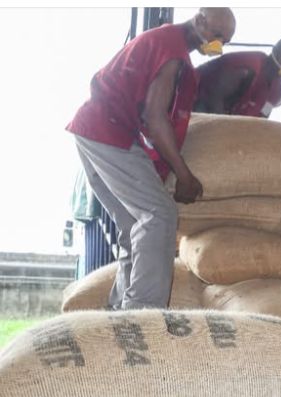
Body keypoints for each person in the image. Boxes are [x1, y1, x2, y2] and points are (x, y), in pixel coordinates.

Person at [67, 8, 237, 310]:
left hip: (92, 130)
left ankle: (119, 310)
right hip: (108, 131)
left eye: (224, 41)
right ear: (199, 20)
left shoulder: (167, 43)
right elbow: (156, 119)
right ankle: (142, 313)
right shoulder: (172, 51)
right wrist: (184, 175)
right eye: (217, 35)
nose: (218, 45)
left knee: (136, 223)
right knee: (160, 214)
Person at [194, 37, 281, 117]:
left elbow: (261, 119)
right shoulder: (248, 67)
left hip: (228, 122)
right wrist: (225, 129)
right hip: (194, 99)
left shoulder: (278, 92)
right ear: (276, 52)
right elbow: (214, 96)